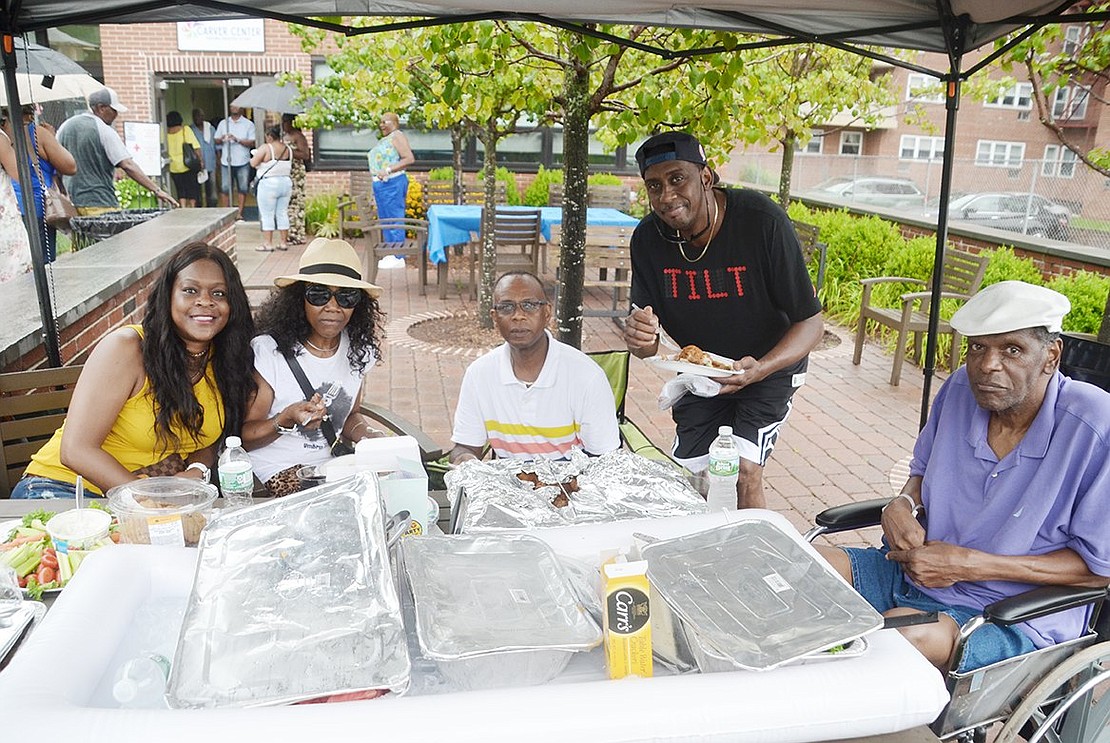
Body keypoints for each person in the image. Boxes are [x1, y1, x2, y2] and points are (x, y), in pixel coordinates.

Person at [818, 281, 1110, 673]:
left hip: (1010, 614)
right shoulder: (960, 389)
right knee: (797, 568)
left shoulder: (1093, 424)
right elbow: (919, 474)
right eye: (978, 347)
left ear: (1051, 356)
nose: (988, 365)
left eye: (1012, 349)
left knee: (889, 644)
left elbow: (1098, 572)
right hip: (914, 573)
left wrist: (969, 565)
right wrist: (901, 505)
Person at [623, 131, 823, 509]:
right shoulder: (647, 239)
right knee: (691, 478)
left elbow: (811, 324)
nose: (666, 196)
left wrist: (761, 368)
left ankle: (752, 562)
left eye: (677, 178)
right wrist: (640, 338)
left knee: (744, 469)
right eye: (654, 186)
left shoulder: (761, 221)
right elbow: (648, 344)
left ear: (706, 177)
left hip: (769, 367)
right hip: (702, 376)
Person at [12, 242, 257, 499]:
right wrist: (152, 501)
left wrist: (196, 469)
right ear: (168, 297)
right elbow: (75, 450)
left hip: (146, 493)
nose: (205, 301)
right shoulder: (128, 348)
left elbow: (208, 437)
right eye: (190, 290)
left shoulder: (224, 359)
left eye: (219, 294)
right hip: (64, 490)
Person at [241, 238, 387, 496]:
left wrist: (368, 435)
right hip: (277, 470)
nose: (332, 306)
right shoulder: (269, 352)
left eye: (346, 296)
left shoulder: (359, 352)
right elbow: (245, 438)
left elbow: (350, 415)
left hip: (334, 469)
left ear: (359, 304)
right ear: (300, 299)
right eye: (319, 294)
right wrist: (284, 419)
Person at [450, 271, 620, 463]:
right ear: (495, 318)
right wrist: (465, 461)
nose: (518, 316)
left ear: (547, 313)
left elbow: (605, 459)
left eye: (529, 306)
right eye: (506, 307)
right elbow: (465, 446)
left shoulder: (586, 376)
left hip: (572, 487)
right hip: (506, 488)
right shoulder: (479, 374)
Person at [56, 87, 178, 215]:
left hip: (73, 205)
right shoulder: (104, 130)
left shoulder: (65, 127)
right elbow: (128, 165)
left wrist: (62, 191)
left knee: (83, 236)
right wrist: (157, 190)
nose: (116, 115)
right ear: (101, 108)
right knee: (109, 235)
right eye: (113, 110)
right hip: (101, 203)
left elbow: (56, 165)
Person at [3, 104, 76, 263]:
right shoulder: (37, 133)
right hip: (37, 208)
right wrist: (51, 138)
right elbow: (70, 166)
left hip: (10, 210)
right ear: (29, 114)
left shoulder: (4, 137)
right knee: (43, 263)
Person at [366, 111, 414, 257]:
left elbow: (409, 158)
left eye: (385, 122)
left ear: (394, 123)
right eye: (380, 122)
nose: (381, 125)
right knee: (386, 220)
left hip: (392, 183)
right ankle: (391, 251)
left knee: (394, 218)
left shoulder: (397, 136)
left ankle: (398, 254)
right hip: (382, 185)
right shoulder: (386, 139)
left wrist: (387, 170)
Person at [249, 126, 293, 252]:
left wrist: (254, 156)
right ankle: (283, 242)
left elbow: (253, 163)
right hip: (285, 182)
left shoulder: (266, 148)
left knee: (267, 214)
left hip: (269, 184)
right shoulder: (288, 149)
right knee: (282, 212)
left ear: (269, 136)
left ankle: (268, 243)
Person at [0, 123, 32, 282]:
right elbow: (20, 173)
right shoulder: (1, 139)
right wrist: (11, 140)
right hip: (5, 225)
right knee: (16, 283)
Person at [214, 105, 255, 222]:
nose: (234, 108)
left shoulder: (248, 124)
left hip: (243, 161)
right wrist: (222, 138)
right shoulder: (223, 123)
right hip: (226, 161)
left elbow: (252, 142)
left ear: (241, 108)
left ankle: (239, 213)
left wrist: (237, 139)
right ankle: (226, 213)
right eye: (232, 106)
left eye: (237, 106)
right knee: (225, 188)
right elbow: (215, 139)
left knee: (242, 188)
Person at [282, 113, 310, 245]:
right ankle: (289, 233)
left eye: (285, 122)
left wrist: (290, 153)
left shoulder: (298, 136)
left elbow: (305, 154)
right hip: (286, 173)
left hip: (296, 173)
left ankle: (297, 234)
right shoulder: (283, 137)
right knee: (287, 205)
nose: (283, 124)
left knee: (296, 204)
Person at [165, 111, 202, 208]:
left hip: (173, 166)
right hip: (187, 165)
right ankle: (193, 208)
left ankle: (183, 207)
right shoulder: (185, 130)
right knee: (192, 188)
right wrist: (200, 161)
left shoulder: (164, 133)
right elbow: (196, 147)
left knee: (180, 189)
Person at [190, 108, 218, 208]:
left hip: (210, 163)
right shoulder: (190, 130)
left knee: (212, 191)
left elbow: (216, 147)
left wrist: (218, 160)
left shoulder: (211, 129)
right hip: (196, 165)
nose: (198, 118)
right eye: (195, 116)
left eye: (200, 115)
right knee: (197, 191)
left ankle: (212, 209)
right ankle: (200, 208)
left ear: (203, 116)